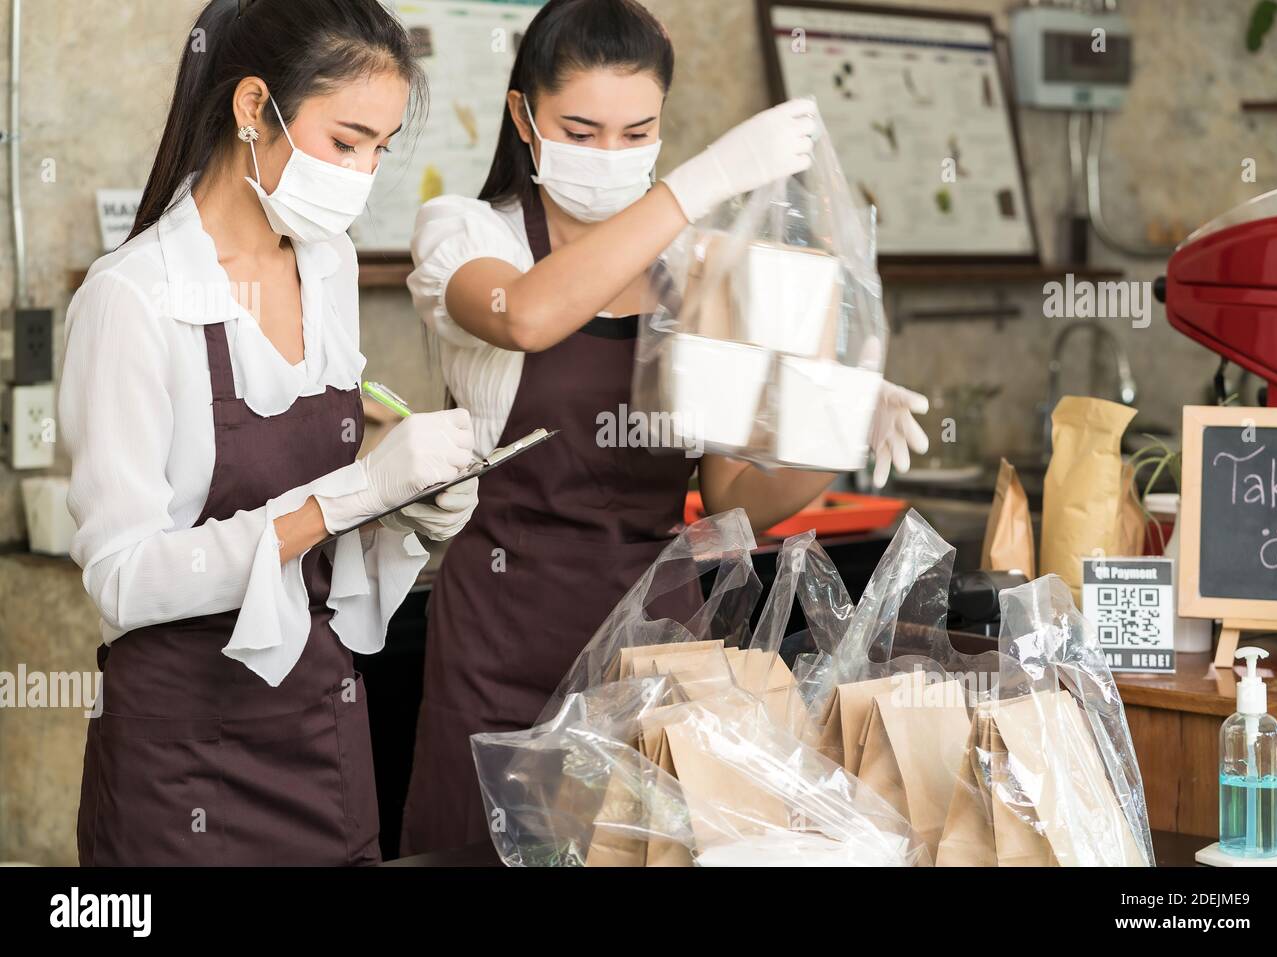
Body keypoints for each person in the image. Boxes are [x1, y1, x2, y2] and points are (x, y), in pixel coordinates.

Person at [400, 0, 929, 854]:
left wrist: (832, 425)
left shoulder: (698, 275)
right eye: (582, 128)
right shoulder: (468, 234)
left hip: (657, 651)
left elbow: (733, 501)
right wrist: (697, 187)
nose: (612, 156)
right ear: (522, 116)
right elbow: (528, 316)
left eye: (636, 131)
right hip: (502, 642)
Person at [62, 0, 477, 866]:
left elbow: (319, 544)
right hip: (184, 764)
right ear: (254, 107)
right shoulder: (134, 298)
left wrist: (401, 511)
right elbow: (122, 578)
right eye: (345, 141)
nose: (362, 175)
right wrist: (347, 494)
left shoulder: (328, 263)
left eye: (379, 150)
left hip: (322, 734)